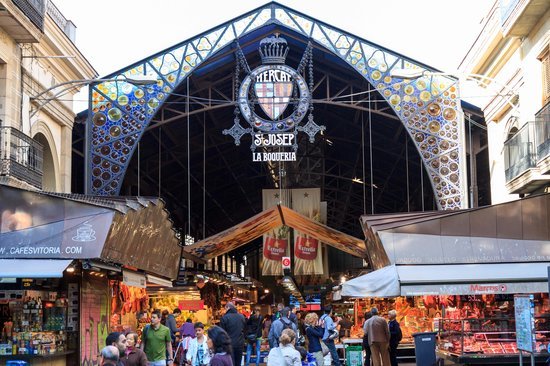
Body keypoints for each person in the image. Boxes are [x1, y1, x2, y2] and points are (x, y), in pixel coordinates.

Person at [220, 302, 246, 366]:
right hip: (240, 344)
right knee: (238, 363)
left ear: (227, 307)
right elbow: (245, 330)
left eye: (225, 308)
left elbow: (222, 333)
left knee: (230, 363)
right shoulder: (242, 317)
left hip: (229, 345)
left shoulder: (224, 318)